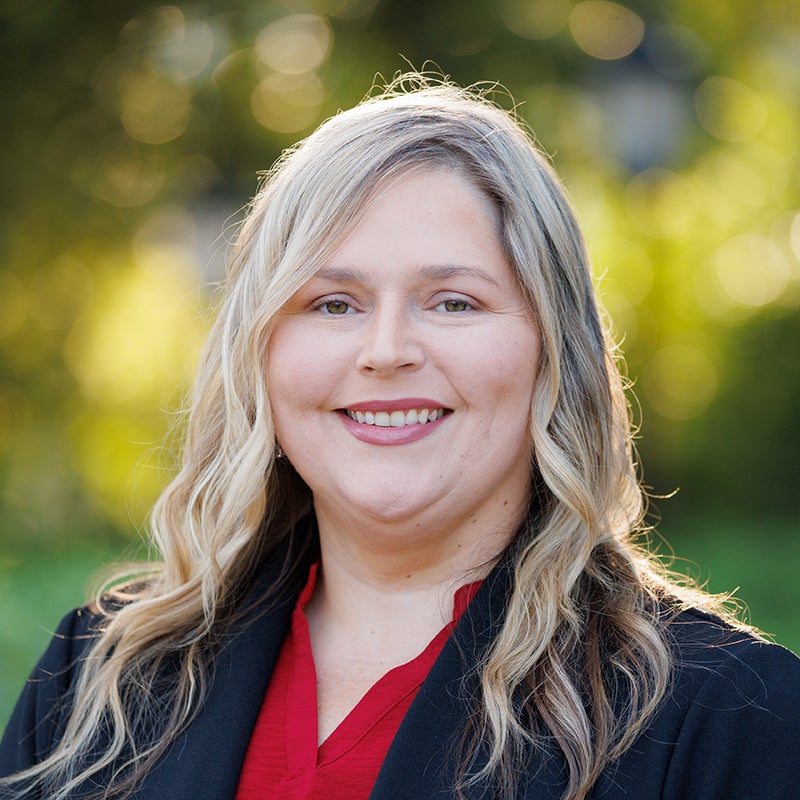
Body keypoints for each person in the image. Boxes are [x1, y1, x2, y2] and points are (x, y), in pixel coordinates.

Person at [1, 73, 799, 800]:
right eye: (332, 304)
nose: (386, 351)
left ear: (553, 353)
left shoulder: (725, 716)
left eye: (453, 301)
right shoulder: (98, 683)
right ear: (261, 355)